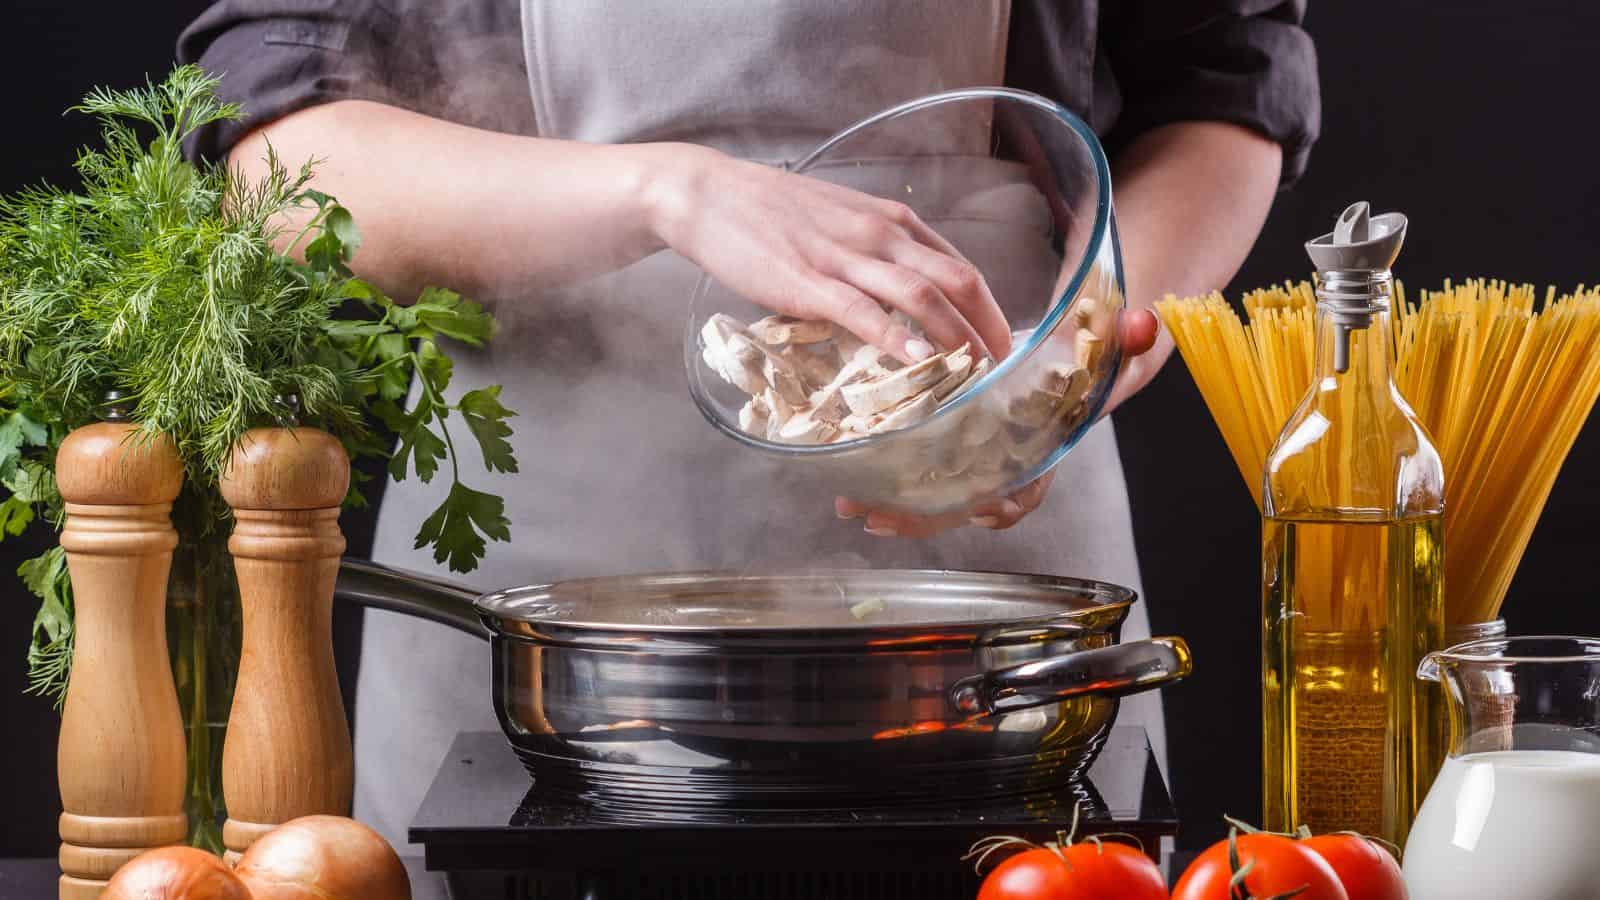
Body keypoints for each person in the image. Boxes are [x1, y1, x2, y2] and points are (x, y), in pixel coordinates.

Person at [179, 0, 1319, 854]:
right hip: (541, 549)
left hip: (979, 531)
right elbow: (274, 157)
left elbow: (1215, 86)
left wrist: (1078, 350)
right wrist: (669, 193)